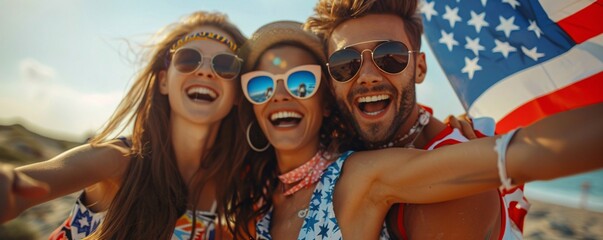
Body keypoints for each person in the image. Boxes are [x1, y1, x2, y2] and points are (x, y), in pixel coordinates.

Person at [227, 21, 603, 239]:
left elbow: (516, 156)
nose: (280, 96)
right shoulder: (252, 194)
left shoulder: (359, 176)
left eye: (301, 82)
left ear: (326, 101)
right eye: (261, 86)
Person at [0, 11, 247, 240]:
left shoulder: (230, 186)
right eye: (188, 59)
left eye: (225, 65)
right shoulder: (117, 161)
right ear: (163, 81)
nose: (204, 71)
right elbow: (21, 185)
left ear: (238, 92)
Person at [305, 0, 524, 238]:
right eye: (345, 64)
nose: (367, 76)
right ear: (330, 82)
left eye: (389, 56)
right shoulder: (333, 146)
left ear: (419, 68)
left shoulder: (454, 184)